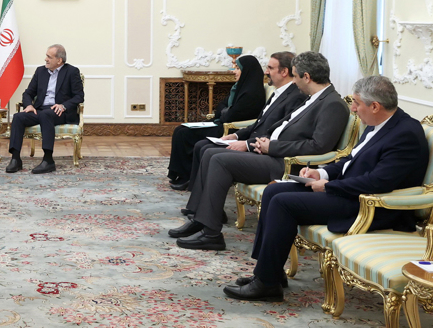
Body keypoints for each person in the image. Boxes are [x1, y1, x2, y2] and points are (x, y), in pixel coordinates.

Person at [223, 76, 428, 302]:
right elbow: (351, 160)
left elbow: (378, 182)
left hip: (370, 206)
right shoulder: (379, 123)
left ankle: (266, 284)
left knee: (283, 204)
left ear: (375, 106)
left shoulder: (405, 133)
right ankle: (269, 272)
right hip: (349, 192)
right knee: (273, 192)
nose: (353, 108)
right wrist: (320, 173)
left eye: (357, 103)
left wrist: (330, 186)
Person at [170, 51, 350, 251]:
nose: (295, 81)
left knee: (219, 160)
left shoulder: (333, 104)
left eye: (296, 75)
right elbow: (280, 126)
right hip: (273, 153)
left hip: (288, 164)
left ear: (306, 77)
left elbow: (318, 146)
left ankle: (211, 234)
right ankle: (202, 219)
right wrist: (259, 141)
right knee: (212, 153)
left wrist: (271, 146)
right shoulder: (313, 98)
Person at [181, 51, 306, 220]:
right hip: (255, 143)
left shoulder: (295, 97)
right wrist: (235, 136)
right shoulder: (279, 92)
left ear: (284, 72)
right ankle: (198, 209)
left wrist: (246, 144)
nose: (266, 71)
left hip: (265, 151)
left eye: (270, 68)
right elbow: (258, 124)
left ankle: (207, 215)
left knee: (211, 152)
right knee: (204, 146)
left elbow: (277, 132)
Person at [166, 54, 266, 190]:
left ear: (247, 70)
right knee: (180, 129)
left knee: (185, 134)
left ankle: (188, 176)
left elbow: (230, 115)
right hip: (222, 124)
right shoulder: (238, 88)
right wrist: (225, 111)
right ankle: (179, 173)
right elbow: (221, 107)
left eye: (237, 68)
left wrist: (224, 112)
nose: (234, 71)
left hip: (231, 130)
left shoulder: (252, 93)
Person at [6, 44, 84, 174]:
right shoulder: (40, 71)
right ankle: (15, 159)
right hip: (40, 110)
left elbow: (79, 96)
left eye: (49, 57)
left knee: (46, 115)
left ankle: (48, 160)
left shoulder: (72, 72)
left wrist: (63, 105)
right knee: (18, 117)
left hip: (60, 112)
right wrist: (29, 105)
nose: (45, 59)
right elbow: (28, 93)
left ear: (59, 60)